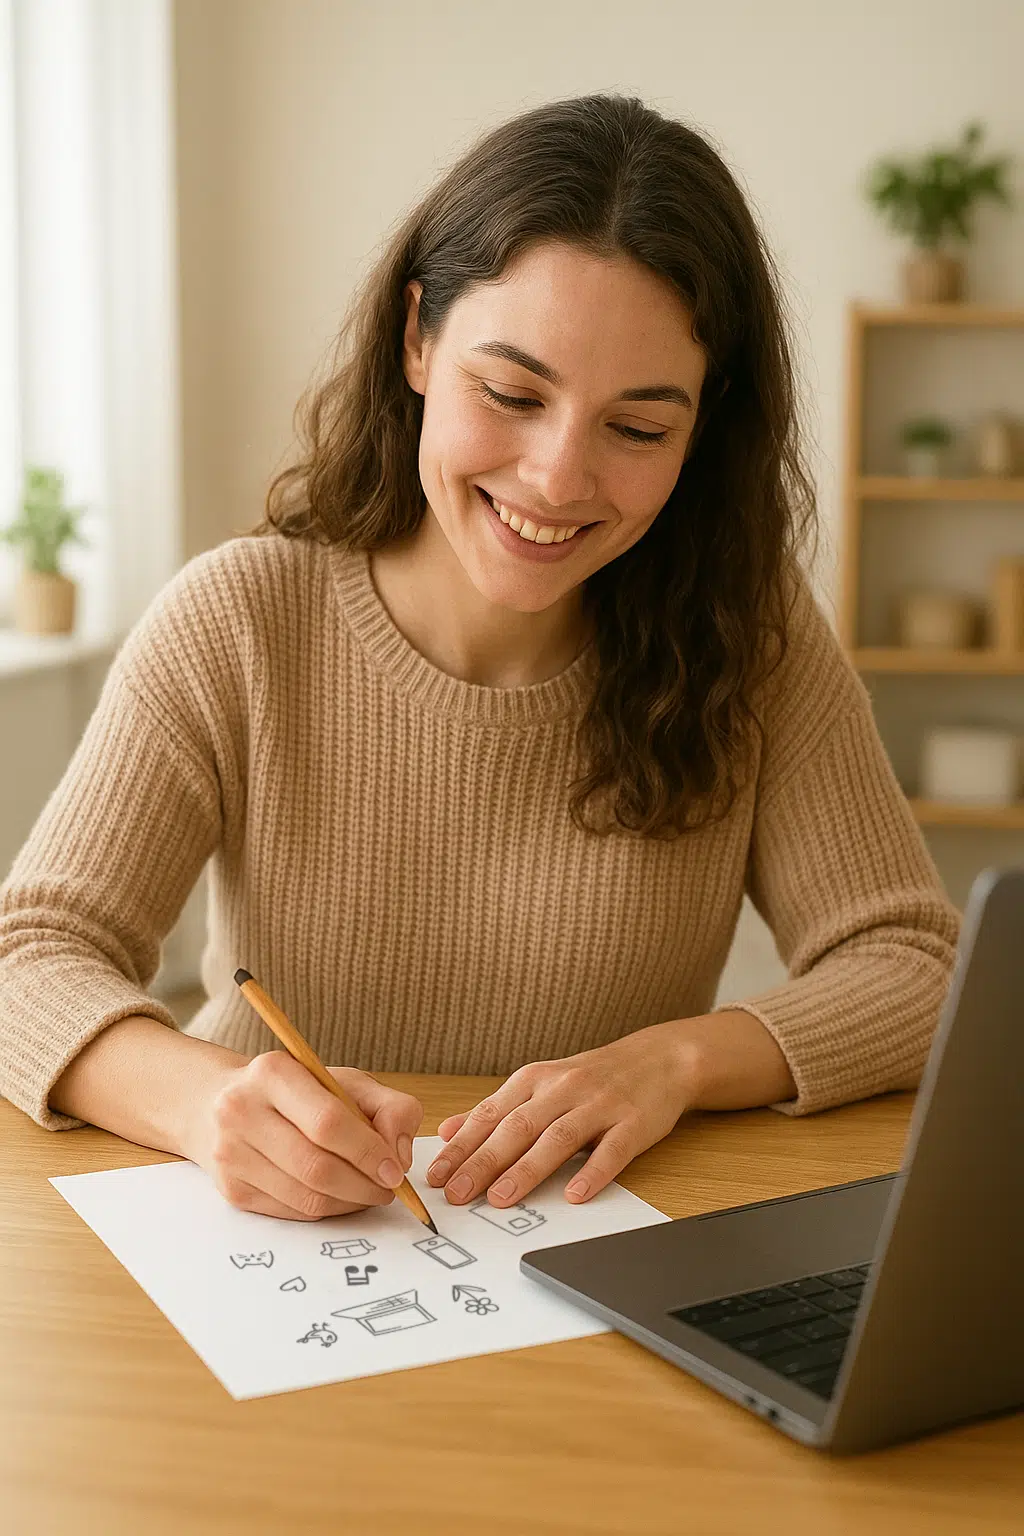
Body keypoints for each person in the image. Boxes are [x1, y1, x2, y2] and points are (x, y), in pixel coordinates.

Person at [0, 93, 959, 1224]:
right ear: (417, 339)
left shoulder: (751, 640)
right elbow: (32, 956)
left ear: (704, 428)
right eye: (511, 394)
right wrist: (202, 1103)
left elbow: (914, 968)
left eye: (638, 428)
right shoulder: (240, 622)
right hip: (270, 1252)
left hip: (593, 1257)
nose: (557, 479)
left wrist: (676, 1062)